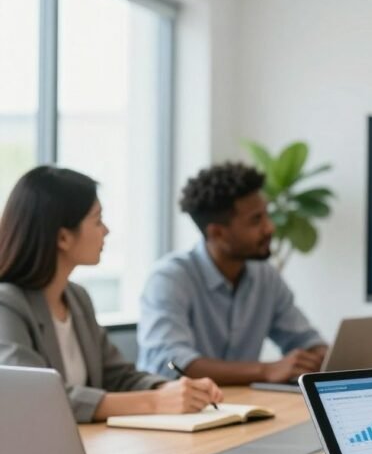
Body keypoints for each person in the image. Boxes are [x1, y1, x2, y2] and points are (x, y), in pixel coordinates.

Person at [0, 166, 222, 423]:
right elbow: (32, 397)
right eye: (97, 221)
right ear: (63, 237)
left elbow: (117, 376)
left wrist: (170, 389)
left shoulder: (77, 298)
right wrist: (154, 402)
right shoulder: (6, 305)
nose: (106, 230)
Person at [136, 163, 328, 385]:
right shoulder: (170, 279)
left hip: (241, 402)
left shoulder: (265, 276)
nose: (270, 228)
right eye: (256, 220)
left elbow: (305, 340)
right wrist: (265, 370)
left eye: (267, 215)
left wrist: (324, 355)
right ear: (217, 233)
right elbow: (172, 364)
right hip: (176, 404)